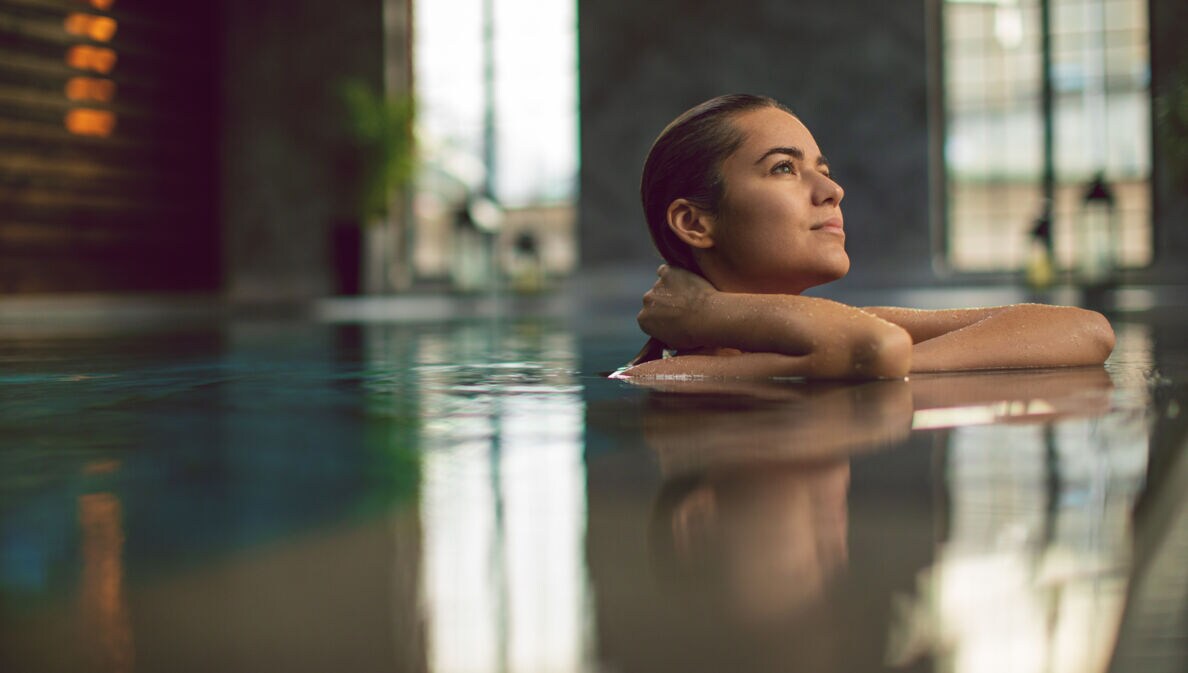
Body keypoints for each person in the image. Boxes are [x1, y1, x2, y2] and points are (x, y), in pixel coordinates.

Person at [615, 94, 1116, 380]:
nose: (832, 190)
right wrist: (866, 360)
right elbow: (875, 347)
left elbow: (1087, 329)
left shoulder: (837, 339)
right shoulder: (664, 378)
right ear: (695, 223)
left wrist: (711, 313)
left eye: (822, 169)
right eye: (784, 168)